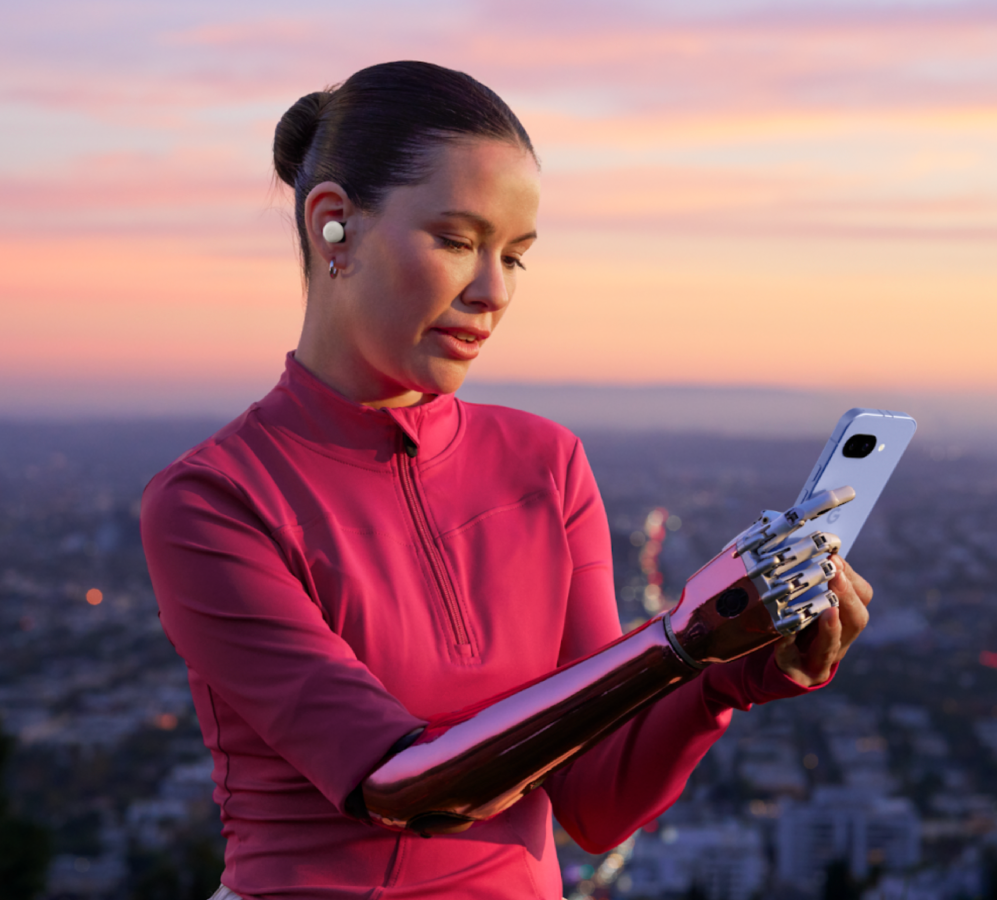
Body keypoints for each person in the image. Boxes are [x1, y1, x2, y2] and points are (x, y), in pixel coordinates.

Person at [140, 60, 873, 900]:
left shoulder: (546, 464)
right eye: (456, 241)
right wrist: (682, 641)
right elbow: (403, 785)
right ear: (332, 224)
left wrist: (739, 671)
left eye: (516, 256)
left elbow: (599, 801)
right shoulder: (215, 500)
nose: (493, 292)